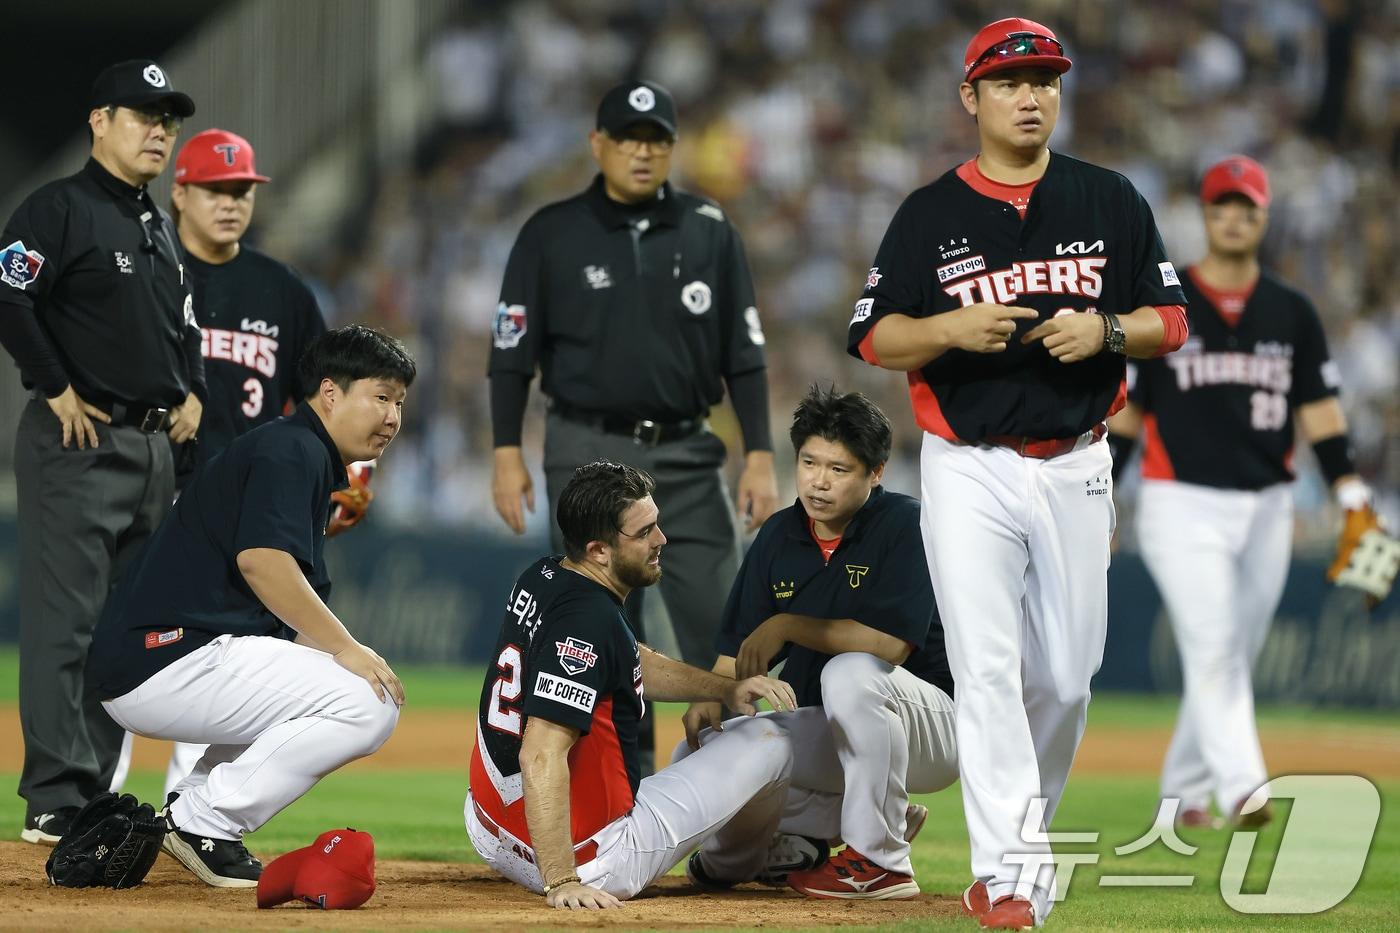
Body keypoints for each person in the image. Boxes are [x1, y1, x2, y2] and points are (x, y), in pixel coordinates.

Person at [845, 18, 1190, 928]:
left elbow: (1173, 318)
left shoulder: (1109, 199)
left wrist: (1109, 330)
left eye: (1044, 79)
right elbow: (876, 335)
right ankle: (1009, 875)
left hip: (1078, 463)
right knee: (988, 670)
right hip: (968, 469)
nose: (1031, 94)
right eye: (1009, 81)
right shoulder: (930, 213)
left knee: (1068, 679)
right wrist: (950, 330)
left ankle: (1021, 842)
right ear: (972, 98)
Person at [1107, 155, 1384, 830]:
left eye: (1246, 208)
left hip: (1268, 504)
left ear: (1263, 217)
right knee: (1215, 641)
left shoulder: (1291, 312)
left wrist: (1350, 493)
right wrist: (1102, 498)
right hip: (1180, 501)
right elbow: (1128, 416)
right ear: (1205, 216)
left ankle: (1182, 795)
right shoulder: (1167, 305)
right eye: (1221, 206)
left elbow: (1319, 408)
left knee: (1232, 649)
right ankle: (1244, 787)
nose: (1233, 218)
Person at [86, 325, 414, 887]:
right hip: (166, 657)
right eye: (380, 396)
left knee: (336, 682)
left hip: (160, 658)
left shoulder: (298, 450)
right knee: (369, 700)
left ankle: (189, 809)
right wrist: (347, 650)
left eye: (400, 403)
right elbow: (262, 563)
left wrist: (338, 653)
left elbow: (283, 608)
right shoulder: (293, 450)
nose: (392, 417)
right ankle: (201, 820)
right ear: (330, 393)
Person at [487, 80, 778, 682]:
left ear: (673, 148)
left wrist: (760, 454)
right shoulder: (551, 232)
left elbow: (745, 353)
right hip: (585, 452)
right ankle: (624, 777)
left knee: (728, 630)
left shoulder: (709, 228)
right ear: (598, 143)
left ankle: (740, 768)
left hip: (688, 454)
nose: (641, 152)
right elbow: (511, 351)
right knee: (595, 632)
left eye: (656, 139)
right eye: (627, 138)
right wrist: (506, 449)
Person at [0, 59, 205, 845]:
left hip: (150, 449)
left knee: (125, 634)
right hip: (79, 441)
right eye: (142, 114)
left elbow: (179, 333)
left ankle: (91, 790)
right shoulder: (59, 209)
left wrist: (191, 394)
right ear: (99, 121)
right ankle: (56, 793)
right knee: (69, 627)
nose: (158, 129)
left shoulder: (154, 224)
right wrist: (50, 384)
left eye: (169, 119)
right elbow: (6, 290)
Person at [466, 460, 801, 909]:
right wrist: (562, 879)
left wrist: (720, 688)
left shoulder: (543, 576)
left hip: (489, 828)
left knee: (706, 746)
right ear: (599, 550)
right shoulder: (590, 621)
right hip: (592, 858)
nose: (660, 540)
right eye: (644, 533)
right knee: (771, 741)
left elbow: (623, 657)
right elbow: (541, 752)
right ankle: (733, 864)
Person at [677, 386, 959, 900]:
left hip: (935, 725)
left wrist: (785, 624)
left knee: (849, 672)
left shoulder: (904, 524)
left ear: (876, 473)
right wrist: (710, 695)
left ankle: (881, 861)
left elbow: (887, 647)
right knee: (702, 750)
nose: (818, 481)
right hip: (845, 729)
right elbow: (736, 651)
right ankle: (766, 853)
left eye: (839, 468)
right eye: (810, 462)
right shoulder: (781, 534)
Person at [147, 127, 331, 801]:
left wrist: (349, 474)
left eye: (241, 191)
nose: (230, 202)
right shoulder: (150, 272)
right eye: (215, 190)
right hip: (155, 484)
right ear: (181, 192)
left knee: (228, 655)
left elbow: (327, 392)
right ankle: (84, 804)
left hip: (247, 504)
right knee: (127, 644)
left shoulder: (281, 290)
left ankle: (189, 809)